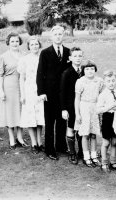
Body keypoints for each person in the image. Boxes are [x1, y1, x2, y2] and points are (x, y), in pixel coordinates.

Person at [36, 25, 70, 160]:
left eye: (60, 34)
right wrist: (41, 92)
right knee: (50, 122)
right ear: (51, 36)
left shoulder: (68, 52)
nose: (58, 36)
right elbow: (40, 74)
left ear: (63, 35)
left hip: (63, 93)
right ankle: (50, 149)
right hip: (49, 93)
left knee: (62, 121)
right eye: (55, 34)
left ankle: (61, 145)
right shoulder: (45, 53)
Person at [0, 33, 28, 150]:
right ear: (8, 43)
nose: (15, 43)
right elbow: (0, 75)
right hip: (9, 86)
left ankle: (20, 137)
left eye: (16, 41)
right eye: (12, 42)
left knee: (20, 112)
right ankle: (11, 138)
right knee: (10, 112)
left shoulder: (24, 55)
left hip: (22, 86)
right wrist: (1, 91)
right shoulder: (3, 56)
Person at [18, 36, 44, 154]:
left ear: (39, 45)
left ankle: (39, 142)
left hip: (40, 90)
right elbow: (21, 78)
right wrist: (22, 94)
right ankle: (33, 143)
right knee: (30, 117)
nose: (34, 46)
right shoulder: (24, 60)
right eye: (32, 44)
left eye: (36, 44)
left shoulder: (43, 58)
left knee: (40, 117)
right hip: (29, 90)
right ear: (28, 46)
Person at [74, 60, 103, 167]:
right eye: (87, 69)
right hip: (84, 107)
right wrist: (77, 114)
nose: (90, 71)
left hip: (95, 108)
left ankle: (94, 156)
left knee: (93, 133)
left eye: (92, 69)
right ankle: (86, 157)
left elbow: (101, 95)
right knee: (85, 134)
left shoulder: (99, 81)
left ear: (95, 70)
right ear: (83, 71)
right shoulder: (80, 81)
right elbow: (77, 99)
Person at [96, 70, 116, 172]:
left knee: (115, 142)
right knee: (106, 142)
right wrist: (109, 107)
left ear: (115, 81)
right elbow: (98, 110)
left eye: (113, 80)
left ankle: (113, 162)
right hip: (107, 118)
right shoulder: (103, 95)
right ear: (104, 82)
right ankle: (104, 162)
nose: (111, 83)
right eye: (108, 81)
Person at [60, 47, 84, 164]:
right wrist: (64, 109)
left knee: (81, 128)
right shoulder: (67, 73)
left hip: (83, 106)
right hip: (70, 106)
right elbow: (62, 92)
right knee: (71, 128)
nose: (78, 58)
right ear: (70, 58)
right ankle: (72, 152)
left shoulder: (85, 71)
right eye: (75, 56)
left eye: (80, 56)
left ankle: (82, 151)